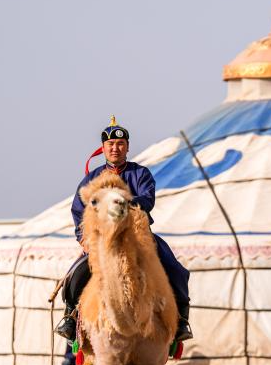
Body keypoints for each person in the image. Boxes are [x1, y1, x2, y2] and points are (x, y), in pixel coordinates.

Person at [54, 116, 193, 344]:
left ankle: (181, 320)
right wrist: (84, 238)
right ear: (104, 148)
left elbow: (147, 200)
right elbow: (79, 210)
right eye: (110, 145)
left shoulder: (141, 174)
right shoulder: (91, 179)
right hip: (101, 239)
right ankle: (70, 318)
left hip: (138, 235)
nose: (115, 148)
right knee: (75, 274)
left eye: (120, 144)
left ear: (127, 146)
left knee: (175, 268)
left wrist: (118, 200)